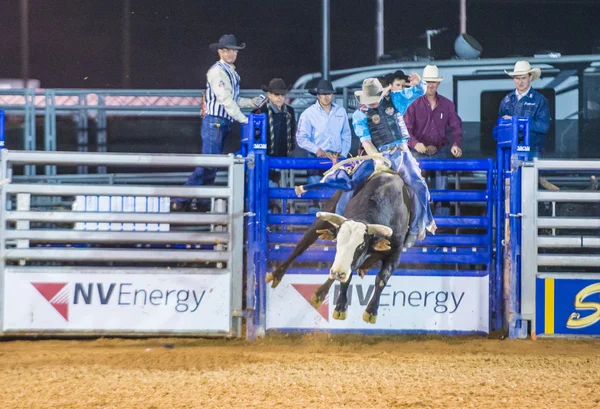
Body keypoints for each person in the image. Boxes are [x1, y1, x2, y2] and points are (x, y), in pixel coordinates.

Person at [295, 78, 436, 248]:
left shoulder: (395, 99)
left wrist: (419, 82)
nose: (374, 102)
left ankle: (414, 229)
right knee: (352, 183)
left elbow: (418, 91)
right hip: (378, 153)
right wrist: (377, 158)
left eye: (375, 98)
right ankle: (340, 223)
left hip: (401, 152)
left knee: (419, 185)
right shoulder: (360, 114)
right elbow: (366, 141)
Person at [173, 34, 261, 211]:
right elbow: (225, 99)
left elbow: (232, 99)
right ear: (220, 51)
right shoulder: (218, 72)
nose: (231, 54)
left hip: (220, 122)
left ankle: (199, 201)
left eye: (233, 51)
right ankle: (183, 199)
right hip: (217, 121)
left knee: (211, 165)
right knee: (210, 163)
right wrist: (243, 119)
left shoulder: (229, 72)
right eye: (227, 50)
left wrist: (250, 103)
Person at [499, 60, 556, 190]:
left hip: (532, 151)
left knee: (531, 189)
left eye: (523, 78)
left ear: (530, 77)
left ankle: (535, 210)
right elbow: (499, 128)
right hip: (510, 152)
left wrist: (516, 121)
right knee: (510, 189)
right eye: (517, 78)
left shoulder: (540, 100)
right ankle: (511, 210)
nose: (520, 81)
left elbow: (543, 126)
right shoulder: (506, 101)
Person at [295, 79, 352, 185]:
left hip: (336, 157)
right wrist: (317, 150)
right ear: (318, 95)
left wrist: (343, 154)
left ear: (332, 95)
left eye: (328, 94)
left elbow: (346, 135)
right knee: (316, 190)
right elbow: (301, 138)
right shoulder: (308, 114)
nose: (326, 97)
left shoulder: (341, 111)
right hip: (316, 157)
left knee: (336, 193)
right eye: (323, 94)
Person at [405, 65, 463, 161]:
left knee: (441, 175)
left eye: (433, 82)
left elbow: (456, 127)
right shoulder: (412, 103)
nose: (430, 85)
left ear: (438, 83)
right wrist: (414, 143)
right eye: (427, 82)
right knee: (417, 175)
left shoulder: (447, 104)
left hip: (441, 151)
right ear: (422, 83)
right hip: (417, 152)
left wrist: (456, 144)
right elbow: (406, 129)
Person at [256, 78, 297, 157]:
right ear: (269, 95)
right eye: (276, 94)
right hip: (266, 157)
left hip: (285, 155)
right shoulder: (261, 112)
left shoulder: (290, 111)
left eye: (282, 95)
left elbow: (292, 132)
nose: (280, 97)